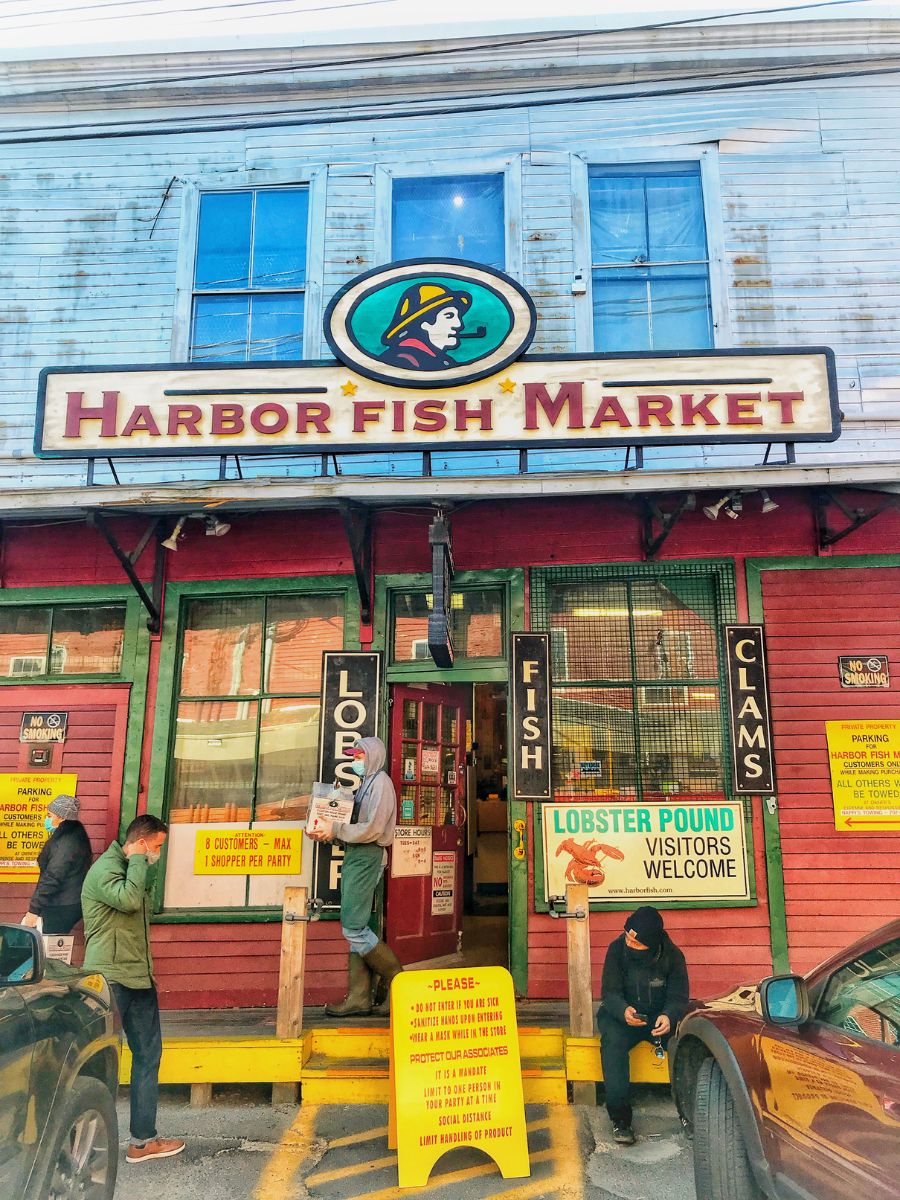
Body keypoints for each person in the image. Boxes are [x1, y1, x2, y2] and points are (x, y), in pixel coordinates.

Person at [81, 813, 185, 1166]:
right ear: (140, 843)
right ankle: (84, 1138)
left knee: (147, 1057)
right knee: (97, 1061)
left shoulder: (130, 868)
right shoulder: (105, 871)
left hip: (138, 977)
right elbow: (127, 900)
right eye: (155, 847)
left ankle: (142, 1141)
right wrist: (140, 859)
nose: (157, 853)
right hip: (109, 978)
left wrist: (141, 864)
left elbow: (140, 908)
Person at [309, 735, 402, 1017]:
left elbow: (372, 829)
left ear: (372, 757)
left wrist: (335, 830)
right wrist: (325, 829)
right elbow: (355, 826)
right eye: (354, 756)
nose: (355, 761)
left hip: (367, 856)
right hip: (357, 855)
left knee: (353, 926)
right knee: (356, 926)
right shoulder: (367, 785)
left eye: (359, 757)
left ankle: (398, 980)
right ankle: (360, 998)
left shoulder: (381, 785)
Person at [596, 906, 689, 1145]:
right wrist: (622, 1010)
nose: (630, 944)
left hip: (659, 1019)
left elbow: (678, 998)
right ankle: (620, 1120)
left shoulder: (674, 957)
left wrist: (669, 1016)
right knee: (612, 1044)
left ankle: (689, 1115)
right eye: (627, 937)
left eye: (636, 943)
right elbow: (609, 992)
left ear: (651, 944)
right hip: (624, 1016)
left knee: (684, 1046)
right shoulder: (616, 950)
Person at [22, 793, 92, 935]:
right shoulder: (75, 835)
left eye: (49, 815)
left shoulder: (66, 843)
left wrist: (33, 910)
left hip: (61, 904)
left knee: (44, 946)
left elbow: (53, 876)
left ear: (61, 818)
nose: (46, 819)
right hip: (67, 902)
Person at [379, 282, 472, 370]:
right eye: (449, 316)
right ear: (424, 323)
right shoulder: (401, 360)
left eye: (458, 317)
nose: (459, 325)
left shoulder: (445, 361)